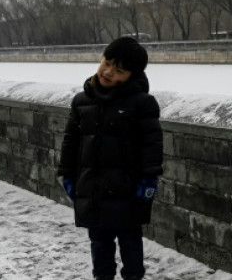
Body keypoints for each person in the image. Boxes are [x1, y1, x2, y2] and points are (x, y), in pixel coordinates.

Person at [57, 37, 163, 280]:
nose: (108, 72)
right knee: (100, 250)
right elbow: (71, 142)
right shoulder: (81, 101)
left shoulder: (142, 103)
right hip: (92, 190)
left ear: (131, 75)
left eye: (119, 71)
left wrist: (148, 180)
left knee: (131, 251)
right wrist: (67, 175)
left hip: (128, 192)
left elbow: (152, 145)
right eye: (107, 63)